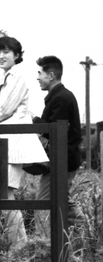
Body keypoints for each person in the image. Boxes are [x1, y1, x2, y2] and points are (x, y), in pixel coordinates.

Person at [0, 35, 49, 250]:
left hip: (14, 143)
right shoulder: (7, 76)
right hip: (7, 142)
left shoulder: (18, 76)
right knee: (1, 192)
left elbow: (5, 109)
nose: (1, 56)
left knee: (5, 192)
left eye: (6, 52)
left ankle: (19, 245)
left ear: (16, 56)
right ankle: (16, 243)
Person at [33, 55, 83, 226]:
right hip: (63, 160)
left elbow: (54, 131)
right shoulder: (60, 96)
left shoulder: (60, 98)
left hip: (60, 161)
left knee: (43, 205)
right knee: (63, 200)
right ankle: (86, 237)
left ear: (51, 75)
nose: (37, 77)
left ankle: (44, 246)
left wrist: (34, 120)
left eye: (40, 73)